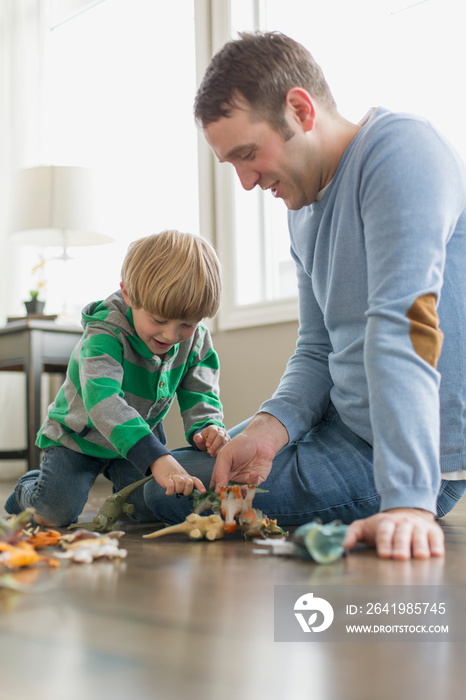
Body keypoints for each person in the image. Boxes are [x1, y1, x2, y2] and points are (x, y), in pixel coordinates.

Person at [144, 31, 466, 560]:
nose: (247, 183)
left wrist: (408, 501)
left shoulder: (401, 152)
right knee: (176, 471)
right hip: (341, 421)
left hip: (411, 454)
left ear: (299, 109)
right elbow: (318, 348)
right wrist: (270, 428)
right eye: (232, 165)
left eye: (248, 154)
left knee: (165, 493)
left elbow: (403, 326)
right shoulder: (302, 212)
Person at [5, 230, 230, 527]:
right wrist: (155, 457)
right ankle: (28, 488)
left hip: (136, 439)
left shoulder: (196, 339)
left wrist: (208, 425)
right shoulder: (104, 333)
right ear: (128, 294)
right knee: (53, 514)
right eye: (159, 320)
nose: (170, 335)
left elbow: (200, 390)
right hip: (77, 439)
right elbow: (104, 401)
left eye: (187, 324)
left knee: (149, 512)